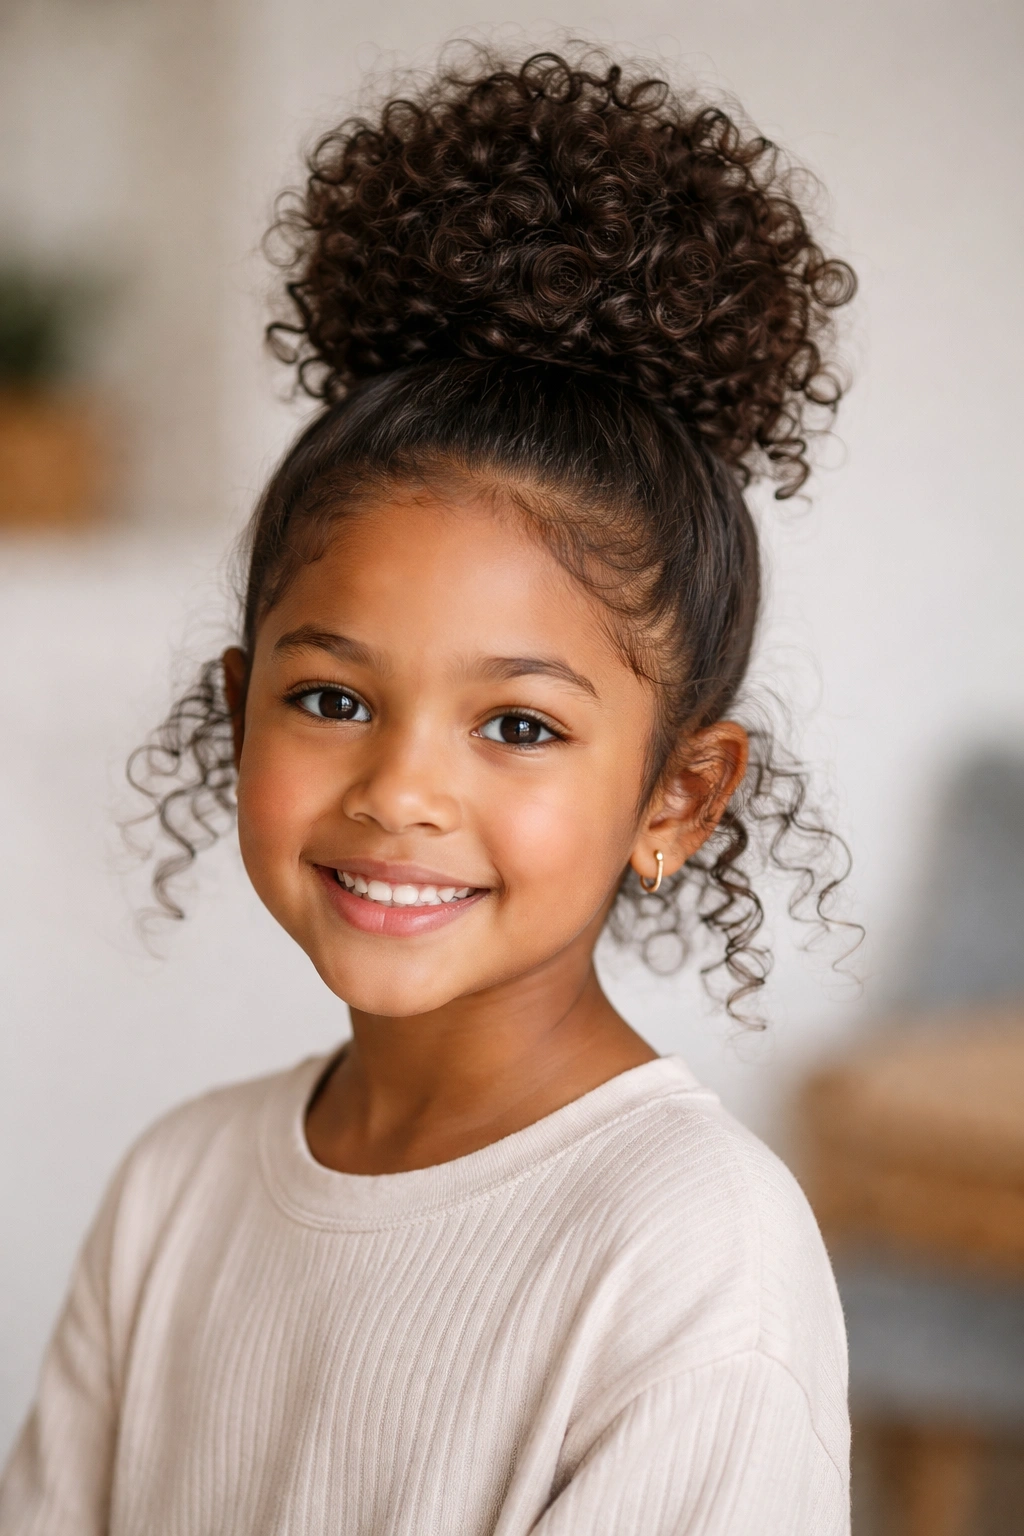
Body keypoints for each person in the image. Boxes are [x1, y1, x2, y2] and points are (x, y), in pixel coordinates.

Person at [0, 49, 858, 1536]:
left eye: (518, 726)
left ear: (680, 796)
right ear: (237, 708)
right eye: (332, 699)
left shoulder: (690, 1257)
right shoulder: (176, 1191)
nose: (400, 790)